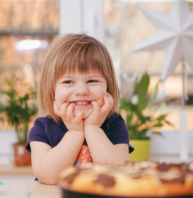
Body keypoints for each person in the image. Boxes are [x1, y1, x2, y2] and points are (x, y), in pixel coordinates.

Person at [25, 34, 134, 185]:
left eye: (92, 80)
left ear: (108, 87)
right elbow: (47, 176)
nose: (82, 90)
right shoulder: (42, 127)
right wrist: (75, 132)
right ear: (52, 90)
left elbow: (119, 174)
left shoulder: (114, 123)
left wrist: (93, 128)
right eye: (68, 81)